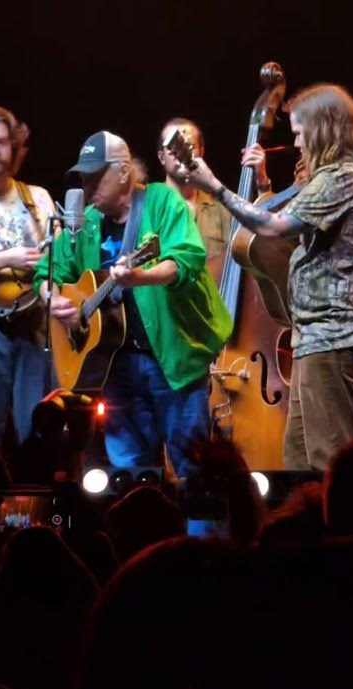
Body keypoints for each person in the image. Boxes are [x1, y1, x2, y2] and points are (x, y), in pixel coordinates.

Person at [174, 84, 353, 472]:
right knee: (299, 459)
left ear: (322, 129)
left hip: (334, 334)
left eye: (301, 132)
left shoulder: (343, 178)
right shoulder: (333, 178)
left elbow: (272, 226)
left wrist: (216, 189)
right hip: (315, 335)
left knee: (331, 458)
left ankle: (344, 515)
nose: (297, 142)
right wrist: (261, 185)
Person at [34, 131, 233, 482]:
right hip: (115, 366)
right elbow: (47, 271)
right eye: (83, 178)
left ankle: (197, 520)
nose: (87, 186)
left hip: (173, 360)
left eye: (96, 176)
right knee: (128, 473)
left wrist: (139, 276)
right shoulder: (86, 223)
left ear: (124, 171)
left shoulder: (161, 202)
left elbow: (184, 260)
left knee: (192, 469)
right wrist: (54, 300)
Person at [0, 105, 55, 454]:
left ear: (14, 147)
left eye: (2, 142)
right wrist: (5, 259)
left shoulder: (37, 198)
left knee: (38, 426)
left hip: (34, 325)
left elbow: (61, 261)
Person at [155, 119, 234, 265]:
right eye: (173, 147)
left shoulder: (222, 207)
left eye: (189, 146)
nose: (181, 153)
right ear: (161, 157)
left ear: (201, 152)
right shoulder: (148, 203)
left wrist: (262, 185)